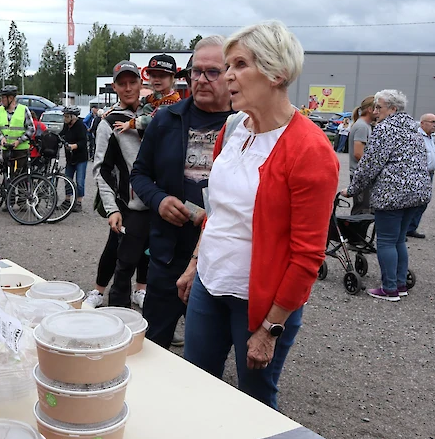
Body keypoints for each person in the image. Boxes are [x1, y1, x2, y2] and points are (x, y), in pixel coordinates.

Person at [180, 21, 339, 409]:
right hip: (209, 283)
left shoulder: (310, 150)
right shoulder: (234, 128)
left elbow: (307, 255)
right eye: (228, 65)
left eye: (239, 65)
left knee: (255, 400)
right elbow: (217, 211)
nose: (228, 75)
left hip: (261, 301)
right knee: (195, 386)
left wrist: (271, 328)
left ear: (276, 74)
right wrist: (194, 263)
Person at [131, 36, 235, 348]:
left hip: (220, 257)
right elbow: (140, 174)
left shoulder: (243, 125)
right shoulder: (166, 118)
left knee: (206, 353)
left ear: (230, 74)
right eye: (196, 71)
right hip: (167, 253)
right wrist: (159, 200)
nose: (202, 79)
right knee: (153, 345)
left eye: (212, 72)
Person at [342, 90, 431, 301]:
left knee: (386, 241)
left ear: (392, 109)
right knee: (399, 239)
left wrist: (351, 189)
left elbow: (369, 165)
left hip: (393, 194)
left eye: (378, 107)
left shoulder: (385, 130)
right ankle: (400, 284)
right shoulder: (413, 129)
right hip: (417, 193)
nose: (375, 112)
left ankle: (389, 288)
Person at [92, 61, 151, 308]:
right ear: (115, 87)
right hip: (127, 203)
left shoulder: (157, 114)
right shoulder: (109, 122)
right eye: (122, 84)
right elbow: (101, 169)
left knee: (150, 252)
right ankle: (104, 298)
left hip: (158, 201)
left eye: (132, 82)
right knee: (119, 254)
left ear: (140, 83)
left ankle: (143, 291)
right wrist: (112, 208)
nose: (128, 88)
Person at [115, 53, 181, 133]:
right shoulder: (154, 97)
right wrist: (112, 109)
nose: (157, 79)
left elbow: (156, 119)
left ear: (172, 78)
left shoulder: (172, 100)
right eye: (153, 76)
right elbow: (140, 102)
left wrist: (130, 124)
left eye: (162, 76)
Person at [405, 114, 435, 238]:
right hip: (418, 174)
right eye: (432, 122)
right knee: (412, 202)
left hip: (429, 173)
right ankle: (404, 229)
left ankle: (411, 228)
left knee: (423, 202)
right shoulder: (416, 137)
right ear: (422, 123)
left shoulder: (430, 138)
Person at [0, 84, 35, 173]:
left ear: (11, 98)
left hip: (21, 150)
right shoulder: (0, 110)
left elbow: (31, 129)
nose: (2, 101)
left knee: (20, 178)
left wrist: (19, 141)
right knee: (8, 177)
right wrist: (1, 138)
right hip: (6, 149)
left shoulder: (23, 110)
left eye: (3, 98)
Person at [348, 96, 375, 214]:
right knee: (361, 211)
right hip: (360, 175)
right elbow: (358, 154)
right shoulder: (362, 126)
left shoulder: (366, 125)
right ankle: (354, 233)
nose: (379, 111)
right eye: (377, 107)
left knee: (364, 210)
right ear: (370, 109)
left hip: (362, 174)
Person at [60, 106, 88, 212]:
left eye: (67, 116)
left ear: (73, 117)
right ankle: (67, 200)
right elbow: (62, 135)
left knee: (80, 181)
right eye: (64, 116)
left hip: (80, 158)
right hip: (70, 158)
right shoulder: (66, 126)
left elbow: (83, 142)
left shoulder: (80, 126)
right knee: (68, 179)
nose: (65, 118)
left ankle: (79, 202)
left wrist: (73, 146)